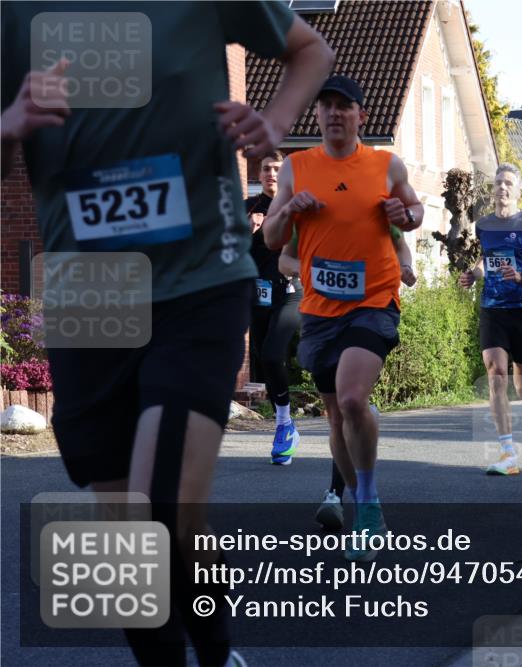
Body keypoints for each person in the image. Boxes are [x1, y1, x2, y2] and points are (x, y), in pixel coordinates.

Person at [1, 3, 334, 665]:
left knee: (162, 503)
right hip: (90, 292)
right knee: (128, 532)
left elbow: (310, 50)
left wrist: (274, 122)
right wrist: (7, 124)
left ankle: (213, 649)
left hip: (199, 276)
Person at [264, 75, 423, 561]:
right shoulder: (296, 167)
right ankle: (361, 501)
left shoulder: (384, 164)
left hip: (374, 301)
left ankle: (369, 506)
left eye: (344, 107)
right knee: (336, 415)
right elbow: (272, 239)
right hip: (319, 311)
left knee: (353, 399)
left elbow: (415, 212)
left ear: (361, 116)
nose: (335, 113)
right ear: (317, 115)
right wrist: (289, 208)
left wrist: (405, 213)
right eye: (326, 106)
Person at [459, 163, 522, 476]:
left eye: (508, 184)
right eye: (498, 183)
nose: (502, 188)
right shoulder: (484, 225)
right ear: (493, 190)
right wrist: (474, 274)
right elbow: (485, 259)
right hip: (493, 308)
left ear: (516, 191)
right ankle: (507, 452)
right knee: (495, 371)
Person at [247, 151, 305, 465]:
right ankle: (285, 425)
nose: (271, 173)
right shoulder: (248, 207)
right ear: (260, 174)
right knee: (265, 359)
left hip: (291, 293)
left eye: (277, 169)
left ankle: (283, 422)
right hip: (257, 296)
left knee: (272, 353)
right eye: (266, 168)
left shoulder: (295, 206)